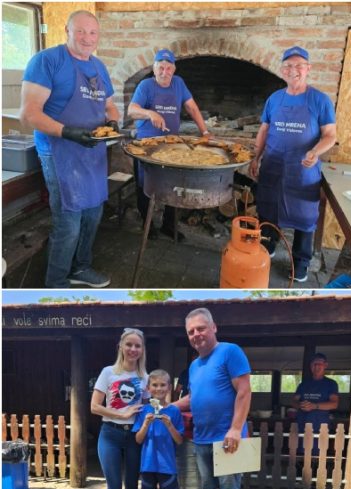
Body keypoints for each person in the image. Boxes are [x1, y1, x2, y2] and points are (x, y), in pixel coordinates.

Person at [20, 10, 117, 288]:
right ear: (67, 30)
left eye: (93, 33)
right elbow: (28, 115)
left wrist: (112, 119)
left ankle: (81, 267)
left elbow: (109, 104)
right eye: (81, 31)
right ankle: (57, 282)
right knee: (69, 220)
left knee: (93, 214)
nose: (87, 38)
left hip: (92, 152)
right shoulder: (47, 61)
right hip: (59, 151)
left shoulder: (98, 66)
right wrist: (68, 132)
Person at [172, 308, 251, 489]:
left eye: (200, 328)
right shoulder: (194, 365)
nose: (196, 335)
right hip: (202, 439)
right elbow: (193, 399)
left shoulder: (230, 351)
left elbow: (244, 390)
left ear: (214, 327)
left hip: (230, 439)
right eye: (191, 331)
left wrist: (236, 428)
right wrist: (168, 407)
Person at [249, 46, 338, 282]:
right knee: (268, 208)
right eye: (288, 66)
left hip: (303, 169)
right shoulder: (274, 99)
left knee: (305, 217)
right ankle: (267, 247)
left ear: (308, 69)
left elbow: (330, 135)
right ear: (282, 70)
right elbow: (264, 130)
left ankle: (300, 264)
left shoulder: (320, 100)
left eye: (299, 65)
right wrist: (256, 157)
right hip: (273, 166)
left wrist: (315, 151)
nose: (293, 70)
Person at [126, 48, 210, 241]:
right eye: (160, 68)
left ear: (174, 69)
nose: (165, 72)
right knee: (145, 185)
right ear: (154, 69)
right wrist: (150, 113)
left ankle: (168, 225)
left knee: (174, 185)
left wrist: (205, 131)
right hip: (146, 147)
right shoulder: (146, 86)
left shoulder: (179, 84)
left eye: (168, 68)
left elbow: (191, 106)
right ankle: (148, 226)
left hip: (172, 147)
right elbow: (132, 110)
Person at [89, 327, 148, 489]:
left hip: (134, 436)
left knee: (132, 485)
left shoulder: (144, 377)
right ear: (121, 347)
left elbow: (148, 407)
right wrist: (121, 414)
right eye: (129, 344)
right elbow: (94, 407)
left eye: (137, 345)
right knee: (114, 486)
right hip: (110, 434)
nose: (133, 349)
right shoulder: (108, 373)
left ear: (142, 350)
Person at [133, 369, 184, 489]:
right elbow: (138, 440)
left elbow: (179, 440)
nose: (159, 388)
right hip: (148, 464)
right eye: (155, 385)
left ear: (169, 388)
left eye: (163, 385)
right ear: (148, 388)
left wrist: (170, 425)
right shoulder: (143, 410)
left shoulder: (174, 411)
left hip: (167, 465)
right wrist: (145, 425)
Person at [292, 352, 339, 452]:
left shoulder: (331, 384)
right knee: (301, 453)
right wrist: (300, 405)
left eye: (320, 364)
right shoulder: (303, 384)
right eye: (314, 364)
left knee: (318, 455)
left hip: (320, 426)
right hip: (302, 425)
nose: (317, 366)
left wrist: (314, 406)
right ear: (310, 366)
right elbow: (293, 401)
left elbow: (334, 404)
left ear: (325, 365)